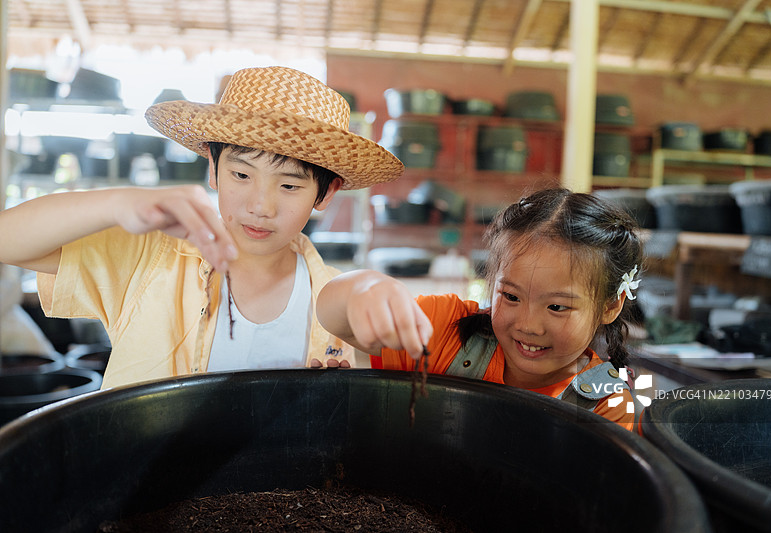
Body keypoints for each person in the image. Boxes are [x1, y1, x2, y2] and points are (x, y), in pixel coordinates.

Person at [0, 66, 404, 389]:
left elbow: (357, 307)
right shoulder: (149, 258)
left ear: (326, 192)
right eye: (241, 175)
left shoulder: (329, 299)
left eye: (289, 185)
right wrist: (119, 201)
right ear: (213, 168)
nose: (260, 206)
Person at [317, 188, 644, 430]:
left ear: (611, 304)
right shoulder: (446, 329)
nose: (528, 325)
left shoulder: (607, 406)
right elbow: (333, 316)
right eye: (511, 297)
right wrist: (363, 288)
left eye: (557, 307)